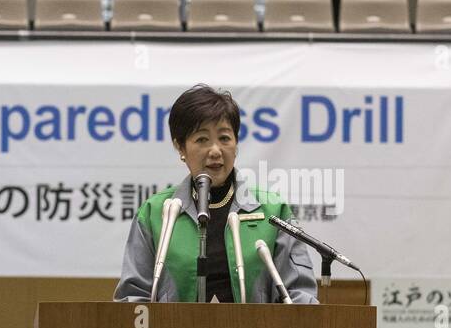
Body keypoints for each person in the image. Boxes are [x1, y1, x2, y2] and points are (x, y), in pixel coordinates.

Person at [113, 84, 319, 304]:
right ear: (180, 147)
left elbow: (300, 293)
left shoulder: (273, 211)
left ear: (236, 143)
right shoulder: (156, 213)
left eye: (224, 138)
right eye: (202, 139)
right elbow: (132, 297)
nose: (215, 150)